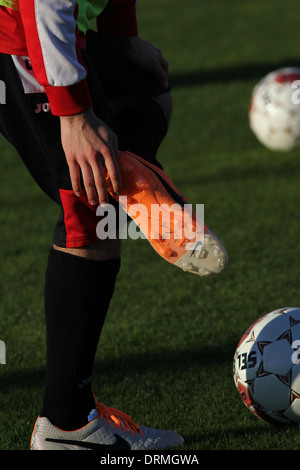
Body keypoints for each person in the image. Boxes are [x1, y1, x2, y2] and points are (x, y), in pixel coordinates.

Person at [0, 0, 227, 450]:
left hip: (60, 31)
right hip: (21, 33)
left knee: (144, 86)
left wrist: (124, 41)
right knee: (92, 212)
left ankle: (131, 174)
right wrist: (74, 114)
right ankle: (66, 426)